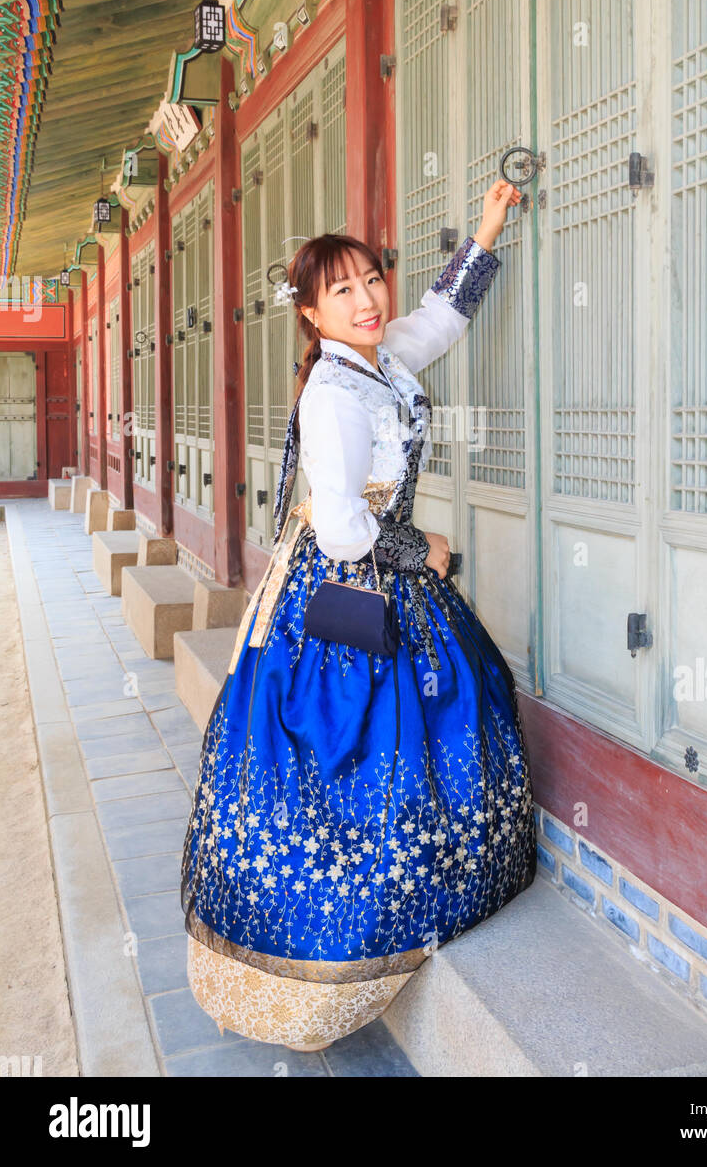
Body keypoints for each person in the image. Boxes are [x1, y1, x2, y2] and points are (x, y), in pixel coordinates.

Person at [181, 179, 537, 1052]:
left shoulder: (380, 356)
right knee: (349, 750)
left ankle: (432, 880)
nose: (368, 299)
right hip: (349, 585)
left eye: (370, 280)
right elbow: (341, 528)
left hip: (381, 564)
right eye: (341, 290)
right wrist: (426, 552)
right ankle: (338, 937)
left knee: (435, 717)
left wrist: (487, 227)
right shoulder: (333, 392)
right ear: (309, 313)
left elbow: (441, 319)